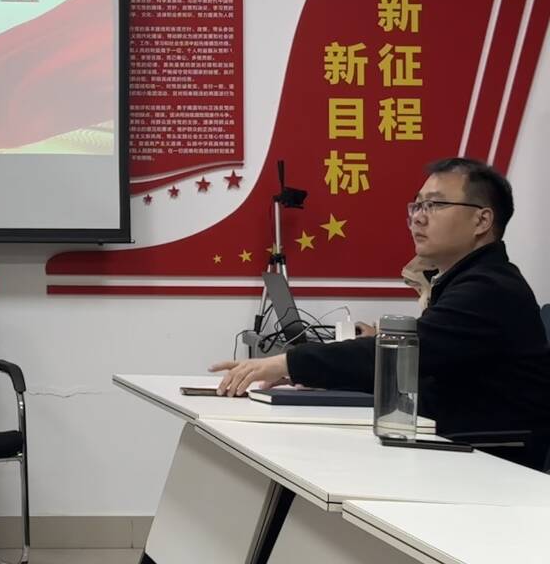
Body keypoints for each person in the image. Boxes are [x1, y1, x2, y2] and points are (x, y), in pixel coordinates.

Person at [210, 158, 550, 467]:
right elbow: (412, 366)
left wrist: (288, 362)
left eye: (435, 204)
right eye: (417, 205)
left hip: (491, 462)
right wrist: (311, 375)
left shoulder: (490, 289)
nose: (418, 217)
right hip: (451, 445)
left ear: (482, 220)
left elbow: (404, 355)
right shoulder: (464, 281)